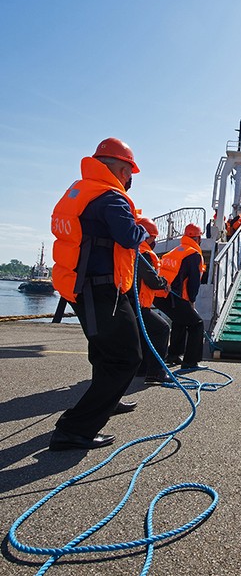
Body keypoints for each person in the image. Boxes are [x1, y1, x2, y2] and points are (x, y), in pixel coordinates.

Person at [49, 137, 147, 451]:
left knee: (104, 351)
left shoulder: (80, 190)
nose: (130, 179)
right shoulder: (111, 198)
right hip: (102, 289)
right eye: (130, 172)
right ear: (121, 168)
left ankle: (108, 401)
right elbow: (129, 236)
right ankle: (74, 429)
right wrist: (142, 226)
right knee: (125, 357)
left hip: (81, 285)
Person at [154, 223, 206, 370]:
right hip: (174, 296)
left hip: (160, 295)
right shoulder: (194, 254)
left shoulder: (176, 250)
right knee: (197, 324)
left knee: (180, 320)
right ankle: (190, 362)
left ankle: (173, 355)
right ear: (198, 238)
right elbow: (193, 281)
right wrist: (192, 300)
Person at [133, 217, 171, 384]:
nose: (155, 241)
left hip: (132, 303)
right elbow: (151, 280)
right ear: (147, 236)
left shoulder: (132, 250)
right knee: (162, 329)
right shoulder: (145, 254)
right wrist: (163, 283)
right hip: (140, 304)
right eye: (154, 238)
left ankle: (140, 369)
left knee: (143, 334)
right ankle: (155, 373)